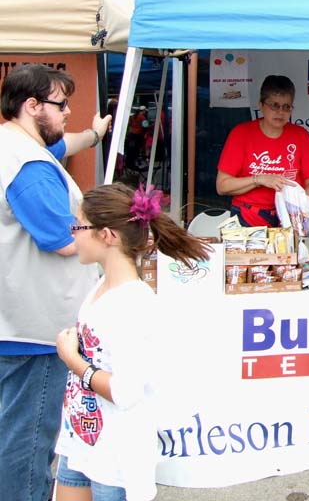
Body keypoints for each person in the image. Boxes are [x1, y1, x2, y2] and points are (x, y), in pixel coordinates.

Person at [54, 183, 210, 501]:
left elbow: (126, 392)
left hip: (118, 456)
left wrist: (74, 361)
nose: (72, 233)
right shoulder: (100, 285)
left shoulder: (134, 304)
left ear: (107, 235)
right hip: (81, 440)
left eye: (79, 225)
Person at [0, 63, 112, 501]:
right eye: (62, 104)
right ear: (32, 106)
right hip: (38, 329)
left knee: (16, 431)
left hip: (20, 317)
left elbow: (69, 141)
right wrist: (112, 234)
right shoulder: (29, 163)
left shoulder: (19, 145)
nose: (68, 112)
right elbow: (62, 240)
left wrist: (97, 133)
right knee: (28, 440)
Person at [217, 74, 309, 227]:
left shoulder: (300, 135)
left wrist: (298, 206)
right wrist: (259, 179)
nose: (280, 112)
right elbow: (222, 186)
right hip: (248, 216)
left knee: (289, 252)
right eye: (274, 105)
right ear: (261, 105)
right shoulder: (241, 133)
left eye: (286, 107)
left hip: (288, 218)